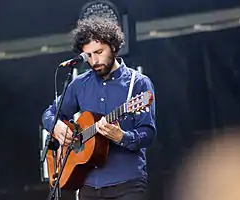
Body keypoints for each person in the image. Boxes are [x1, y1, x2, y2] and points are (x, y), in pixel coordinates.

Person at [42, 16, 156, 200]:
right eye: (88, 55)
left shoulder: (138, 83)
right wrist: (56, 126)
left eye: (99, 51)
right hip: (88, 185)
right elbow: (50, 113)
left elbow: (148, 133)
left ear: (113, 46)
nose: (94, 60)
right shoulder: (79, 84)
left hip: (128, 184)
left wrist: (122, 137)